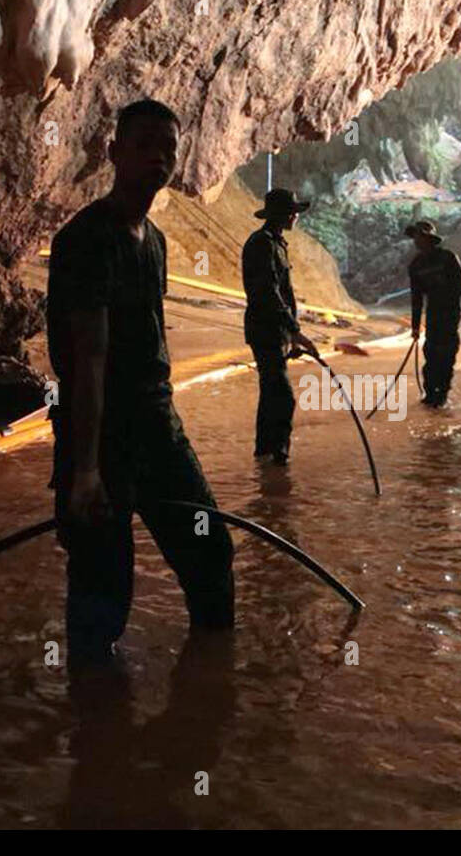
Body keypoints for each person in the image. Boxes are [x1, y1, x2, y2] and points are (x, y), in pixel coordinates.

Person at [47, 98, 235, 668]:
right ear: (113, 154)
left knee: (210, 552)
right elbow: (89, 357)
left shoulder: (153, 241)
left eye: (169, 148)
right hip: (101, 435)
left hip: (158, 424)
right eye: (144, 144)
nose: (159, 157)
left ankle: (210, 694)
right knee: (104, 594)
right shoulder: (86, 238)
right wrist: (84, 471)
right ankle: (97, 730)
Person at [242, 188, 319, 466]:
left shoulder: (275, 243)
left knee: (271, 392)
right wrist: (295, 330)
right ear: (285, 215)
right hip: (266, 330)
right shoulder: (262, 244)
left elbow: (281, 292)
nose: (296, 216)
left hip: (275, 330)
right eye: (293, 212)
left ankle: (264, 454)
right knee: (283, 397)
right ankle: (278, 457)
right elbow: (269, 293)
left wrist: (291, 334)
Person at [406, 220, 461, 406]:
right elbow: (416, 298)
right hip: (433, 315)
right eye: (414, 237)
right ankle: (430, 395)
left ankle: (442, 395)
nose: (415, 240)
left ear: (428, 238)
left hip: (451, 313)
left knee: (446, 355)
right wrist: (414, 326)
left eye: (418, 236)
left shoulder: (448, 257)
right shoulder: (416, 265)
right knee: (430, 354)